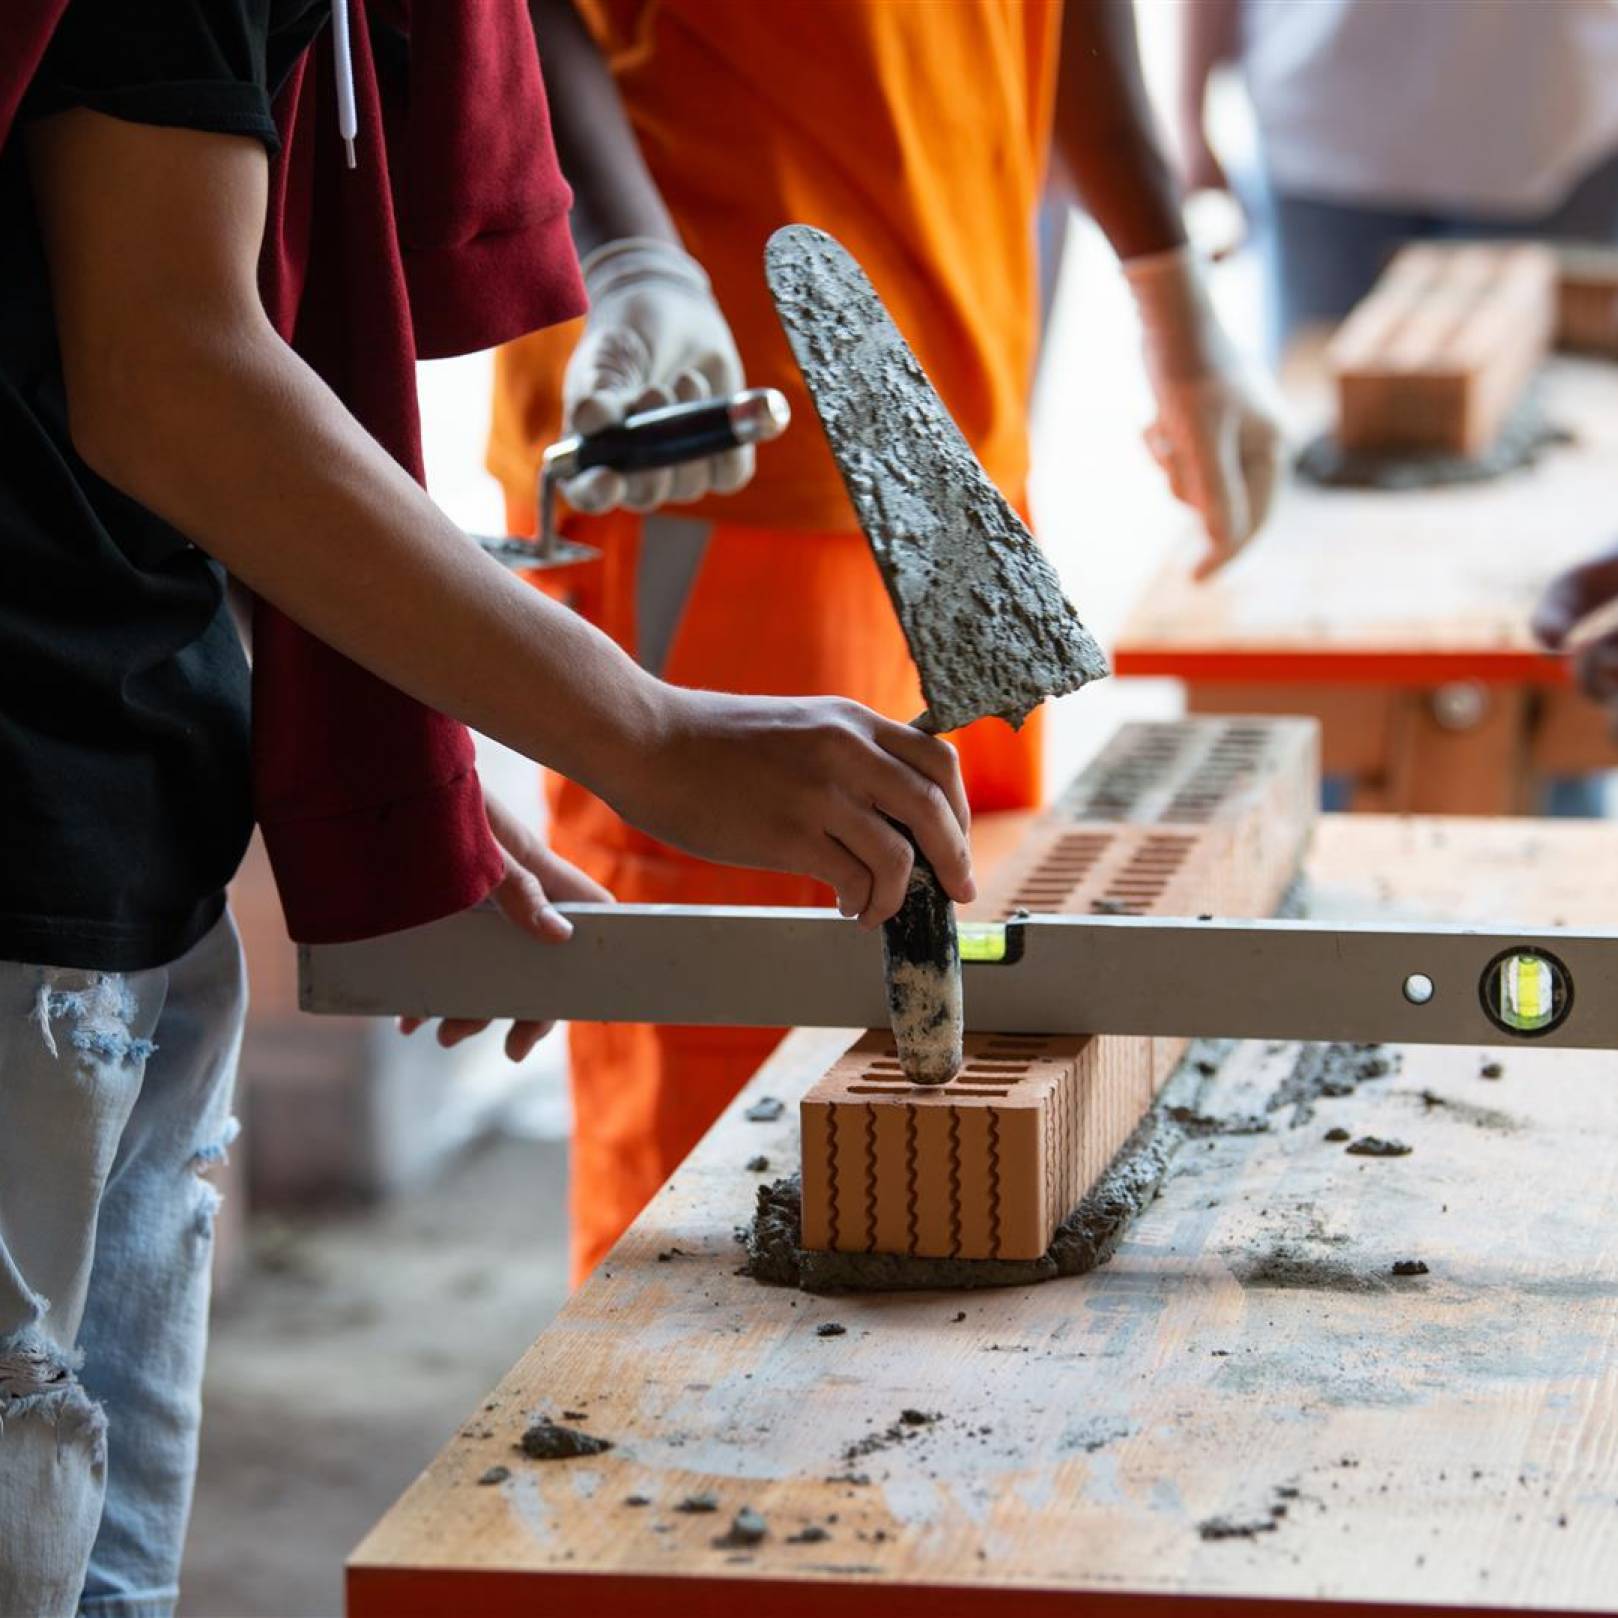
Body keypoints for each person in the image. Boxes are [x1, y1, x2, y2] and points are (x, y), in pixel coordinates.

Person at [0, 4, 976, 1613]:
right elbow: (166, 368)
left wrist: (402, 759)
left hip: (121, 827)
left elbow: (94, 359)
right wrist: (642, 728)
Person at [488, 0, 1283, 1284]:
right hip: (712, 434)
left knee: (980, 987)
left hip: (951, 421)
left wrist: (1167, 284)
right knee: (723, 1127)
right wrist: (633, 253)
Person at [1179, 0, 1618, 353]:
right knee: (1322, 406)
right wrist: (1189, 121)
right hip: (1323, 140)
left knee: (1556, 409)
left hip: (1555, 129)